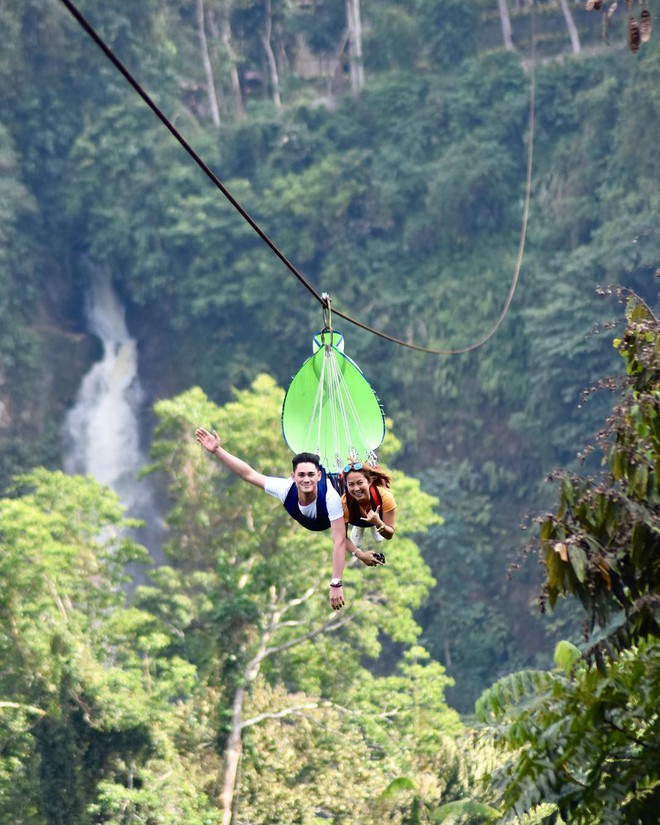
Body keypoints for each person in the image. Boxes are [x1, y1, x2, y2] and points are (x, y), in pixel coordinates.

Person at [195, 428, 376, 611]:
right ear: (293, 477)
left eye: (311, 475)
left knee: (362, 504)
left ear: (319, 476)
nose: (306, 480)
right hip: (315, 520)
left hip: (337, 508)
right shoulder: (285, 488)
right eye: (302, 475)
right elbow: (248, 474)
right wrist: (217, 450)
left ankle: (366, 520)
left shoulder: (331, 497)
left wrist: (336, 582)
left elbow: (338, 540)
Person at [343, 463, 396, 557]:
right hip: (356, 518)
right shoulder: (344, 503)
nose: (356, 488)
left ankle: (374, 524)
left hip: (377, 518)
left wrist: (378, 523)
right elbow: (341, 538)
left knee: (379, 538)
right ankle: (359, 526)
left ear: (369, 482)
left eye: (360, 483)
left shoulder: (385, 497)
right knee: (356, 544)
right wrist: (360, 555)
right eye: (351, 484)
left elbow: (389, 535)